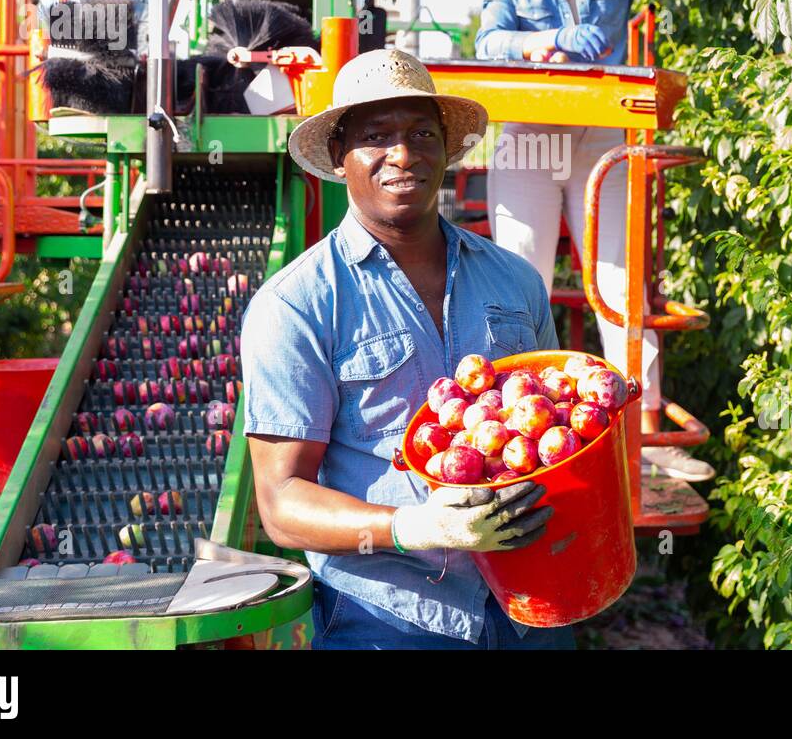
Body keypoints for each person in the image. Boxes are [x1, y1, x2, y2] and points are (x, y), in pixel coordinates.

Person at [241, 48, 575, 650]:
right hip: (389, 618)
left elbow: (561, 428)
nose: (403, 153)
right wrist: (413, 527)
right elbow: (282, 501)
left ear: (446, 150)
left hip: (531, 601)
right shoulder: (296, 305)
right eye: (376, 137)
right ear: (341, 159)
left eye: (422, 133)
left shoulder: (514, 280)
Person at [475, 0, 743, 484]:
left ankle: (645, 436)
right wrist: (549, 41)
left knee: (623, 286)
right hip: (531, 145)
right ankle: (517, 435)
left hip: (603, 141)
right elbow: (488, 42)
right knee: (521, 284)